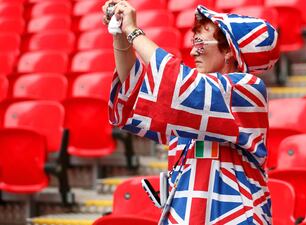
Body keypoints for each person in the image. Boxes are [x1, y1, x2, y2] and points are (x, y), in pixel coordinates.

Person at [102, 1, 279, 224]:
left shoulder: (249, 89)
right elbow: (134, 93)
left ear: (228, 50)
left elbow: (182, 86)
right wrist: (119, 34)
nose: (193, 50)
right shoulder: (191, 101)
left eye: (200, 43)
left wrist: (133, 31)